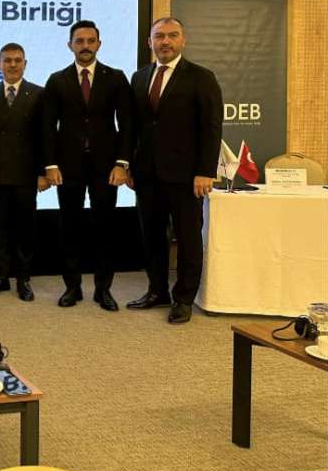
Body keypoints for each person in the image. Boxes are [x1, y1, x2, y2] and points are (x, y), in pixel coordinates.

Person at [127, 17, 222, 324]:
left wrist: (205, 171)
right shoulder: (139, 77)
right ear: (150, 42)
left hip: (187, 176)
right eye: (159, 36)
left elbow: (211, 128)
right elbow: (134, 128)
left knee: (188, 238)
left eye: (172, 35)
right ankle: (157, 291)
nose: (165, 41)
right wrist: (129, 165)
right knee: (152, 237)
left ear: (183, 40)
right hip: (147, 174)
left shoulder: (201, 77)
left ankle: (183, 298)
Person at [42, 20, 133, 311]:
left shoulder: (115, 78)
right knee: (70, 228)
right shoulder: (57, 80)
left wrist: (122, 163)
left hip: (106, 168)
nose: (85, 46)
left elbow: (128, 125)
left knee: (105, 228)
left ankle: (103, 290)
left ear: (99, 44)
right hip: (67, 167)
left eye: (90, 41)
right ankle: (72, 287)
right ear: (70, 45)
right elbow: (47, 127)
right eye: (79, 41)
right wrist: (50, 164)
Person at [0, 43, 49, 302]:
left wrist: (43, 172)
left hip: (27, 175)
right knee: (0, 227)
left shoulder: (39, 93)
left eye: (17, 60)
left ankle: (23, 279)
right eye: (7, 60)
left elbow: (45, 136)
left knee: (25, 228)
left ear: (25, 64)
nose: (12, 65)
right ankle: (1, 277)